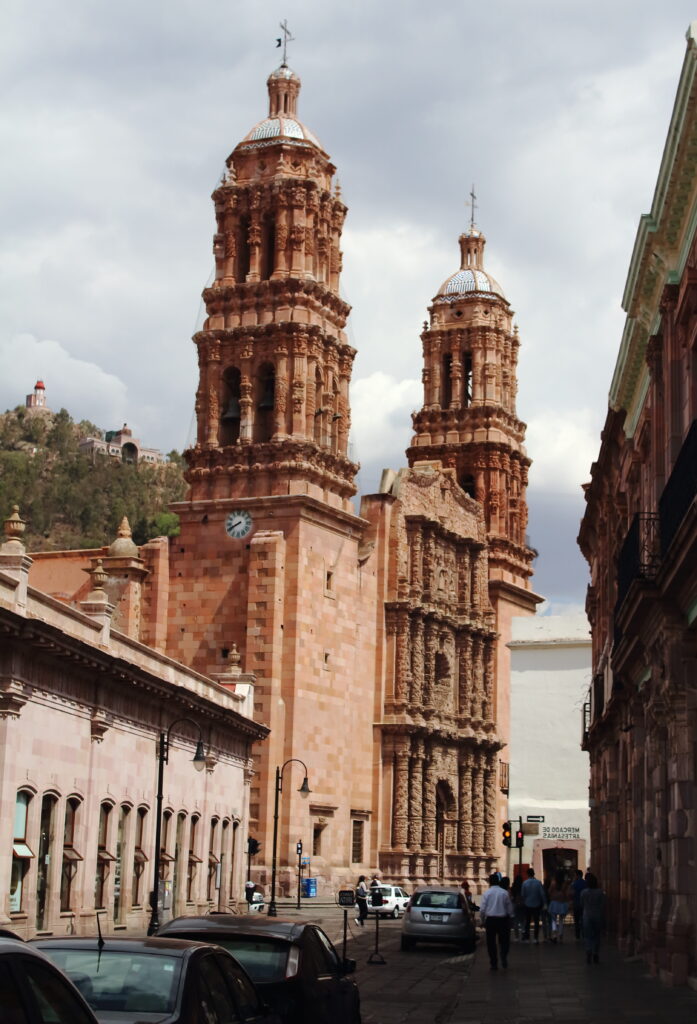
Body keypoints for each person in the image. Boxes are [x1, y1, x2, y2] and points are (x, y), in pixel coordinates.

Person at [479, 873, 514, 970]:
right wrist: (511, 918)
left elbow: (482, 909)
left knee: (491, 943)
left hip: (491, 920)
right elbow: (509, 908)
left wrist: (482, 920)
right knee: (504, 941)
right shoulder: (504, 893)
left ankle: (494, 963)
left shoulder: (487, 893)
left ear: (490, 882)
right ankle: (503, 955)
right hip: (503, 920)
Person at [581, 872, 606, 963]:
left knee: (588, 935)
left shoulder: (584, 892)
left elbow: (582, 904)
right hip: (597, 915)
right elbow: (603, 905)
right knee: (596, 935)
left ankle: (588, 950)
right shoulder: (600, 892)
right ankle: (595, 952)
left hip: (587, 915)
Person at [521, 867, 546, 943]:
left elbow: (523, 895)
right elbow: (542, 894)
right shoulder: (538, 882)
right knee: (536, 922)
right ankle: (535, 938)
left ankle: (527, 938)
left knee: (527, 922)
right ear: (533, 874)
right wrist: (544, 903)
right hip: (537, 904)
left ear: (527, 874)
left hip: (527, 904)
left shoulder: (524, 883)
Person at [547, 870, 570, 943]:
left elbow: (549, 891)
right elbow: (567, 894)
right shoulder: (565, 884)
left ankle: (554, 934)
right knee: (561, 920)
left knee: (553, 920)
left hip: (554, 903)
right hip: (562, 903)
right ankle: (560, 935)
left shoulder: (553, 883)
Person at [571, 869, 587, 940]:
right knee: (583, 919)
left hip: (576, 903)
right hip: (584, 904)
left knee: (576, 921)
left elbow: (571, 893)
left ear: (577, 875)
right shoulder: (585, 883)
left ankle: (577, 935)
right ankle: (584, 934)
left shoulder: (574, 883)